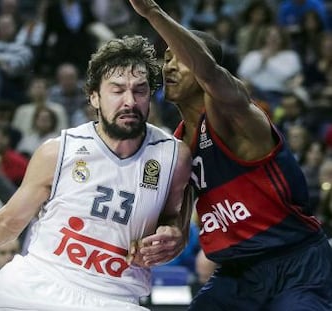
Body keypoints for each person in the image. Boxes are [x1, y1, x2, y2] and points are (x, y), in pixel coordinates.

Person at [0, 34, 192, 310]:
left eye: (139, 90)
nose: (129, 101)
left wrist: (174, 236)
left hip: (113, 298)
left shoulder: (173, 157)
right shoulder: (58, 151)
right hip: (35, 286)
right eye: (117, 90)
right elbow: (4, 224)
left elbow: (175, 222)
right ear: (94, 97)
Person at [128, 0, 332, 310]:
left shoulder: (237, 113)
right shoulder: (177, 145)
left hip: (296, 263)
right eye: (165, 59)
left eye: (178, 58)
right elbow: (180, 226)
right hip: (237, 274)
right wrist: (167, 238)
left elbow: (209, 72)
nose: (168, 66)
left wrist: (152, 12)